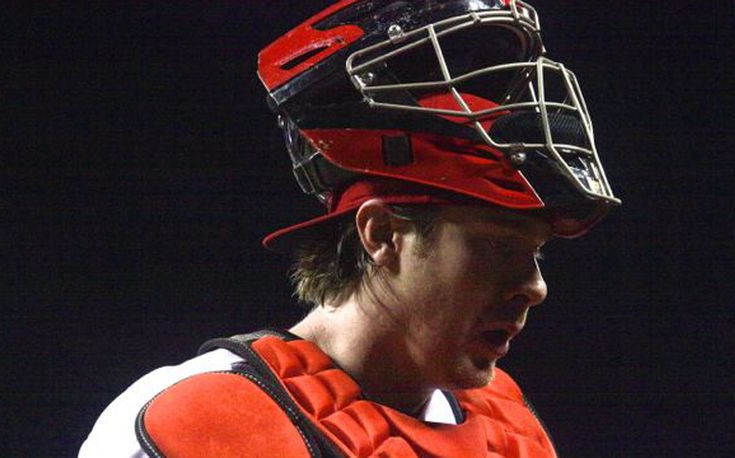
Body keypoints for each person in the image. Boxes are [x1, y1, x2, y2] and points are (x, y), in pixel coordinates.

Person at [79, 1, 620, 456]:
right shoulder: (195, 421)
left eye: (537, 253)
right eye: (498, 247)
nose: (534, 286)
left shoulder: (510, 433)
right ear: (382, 235)